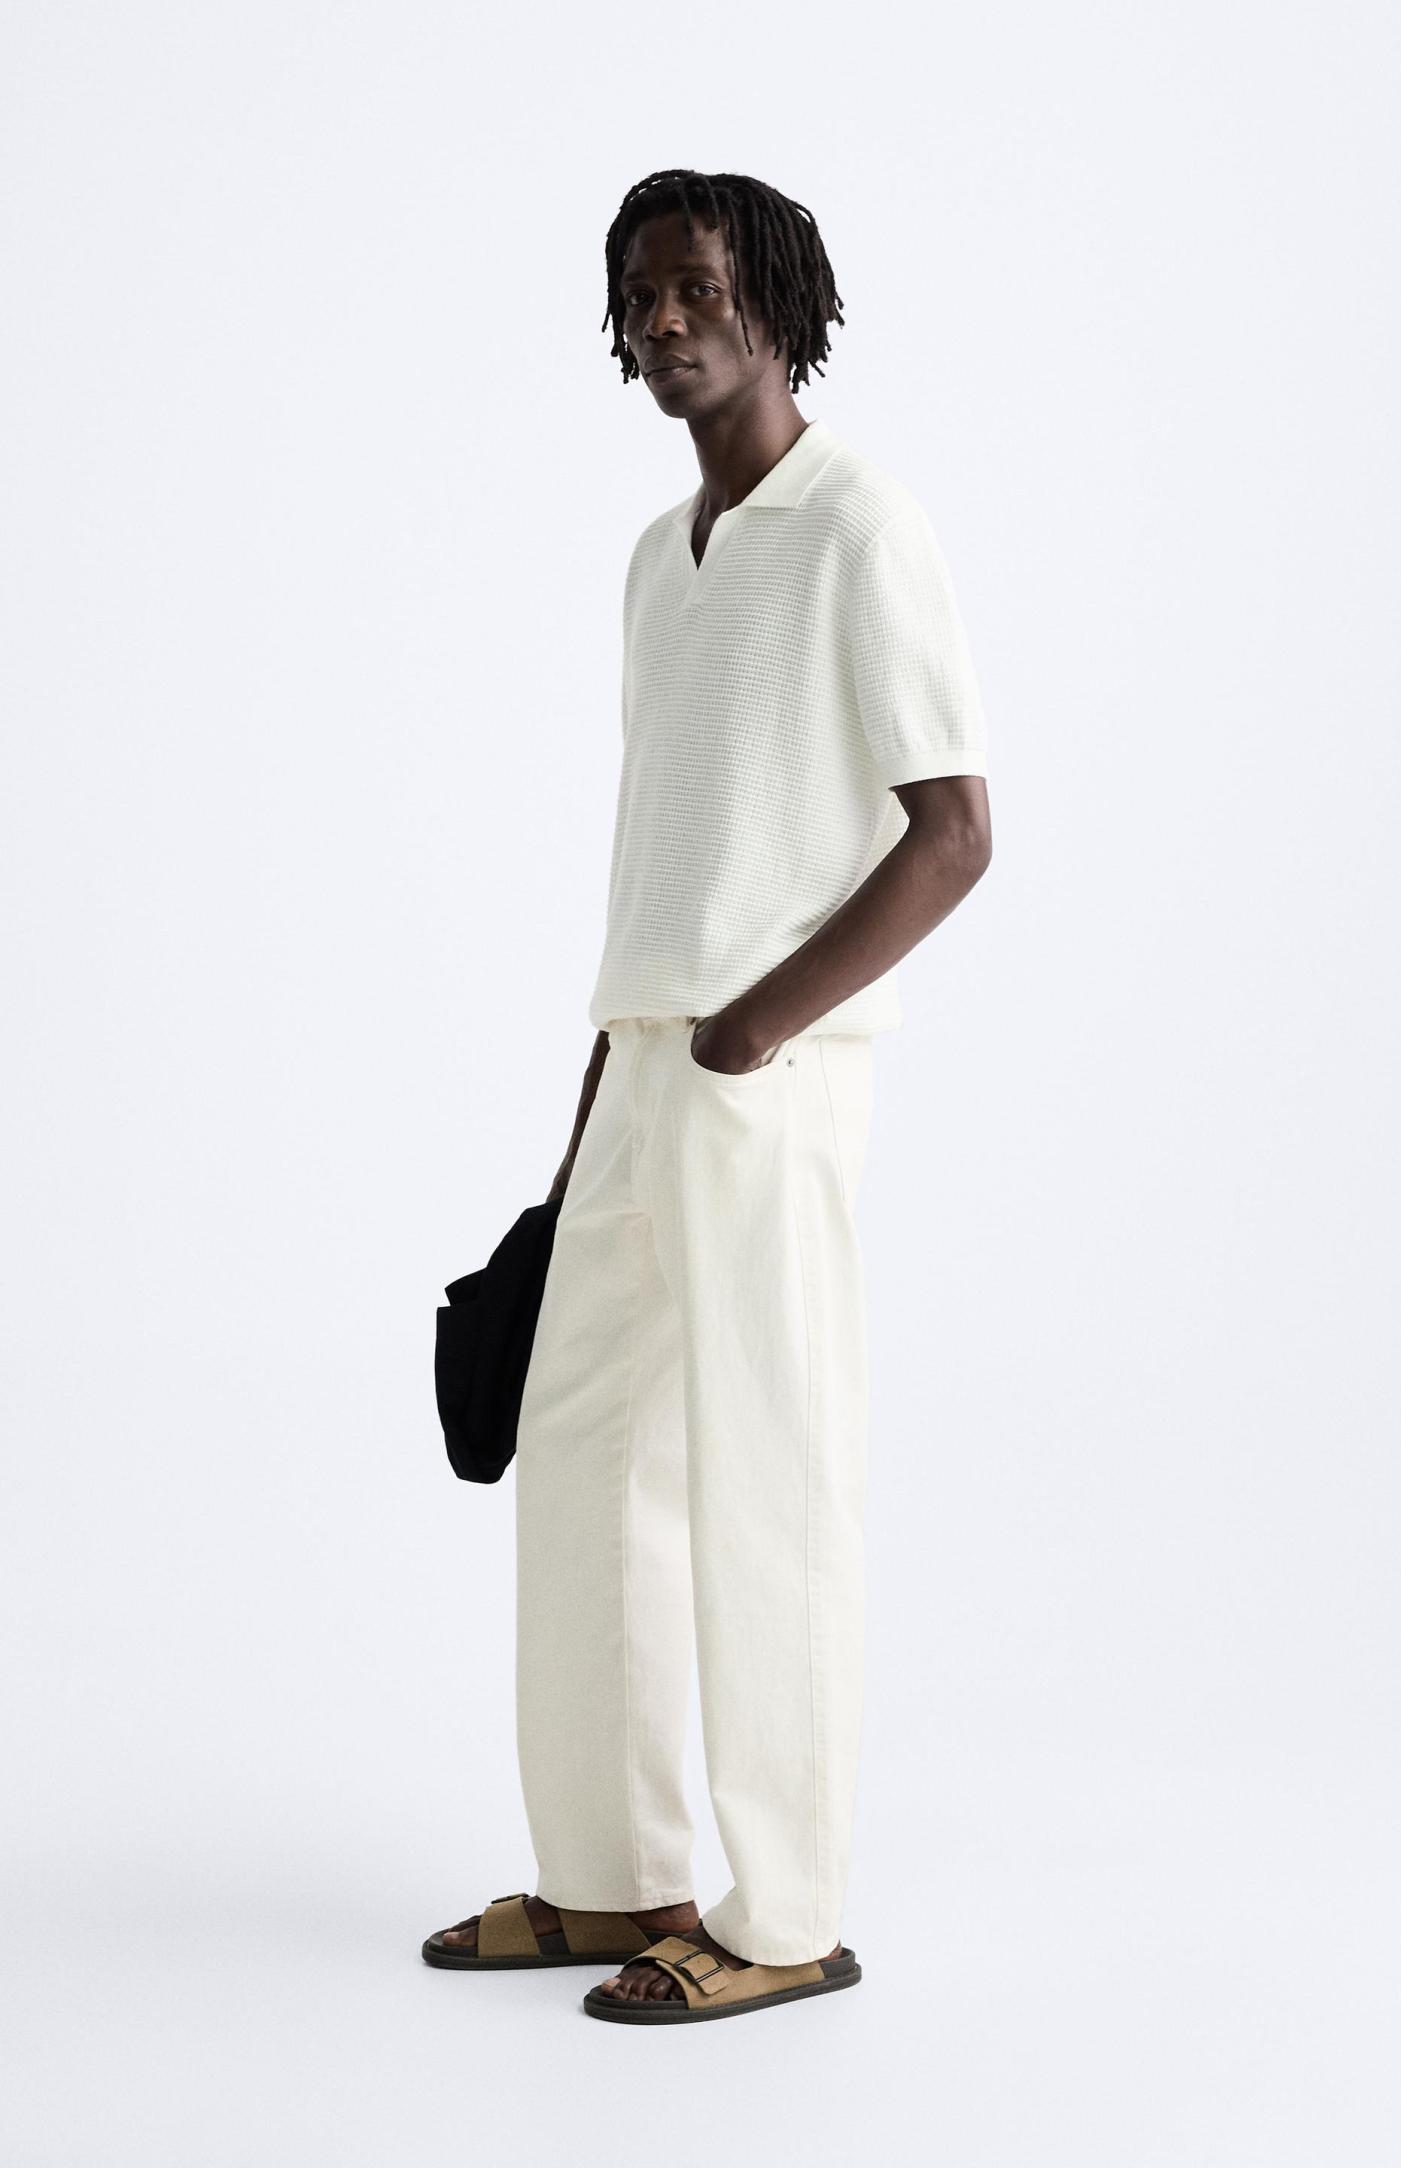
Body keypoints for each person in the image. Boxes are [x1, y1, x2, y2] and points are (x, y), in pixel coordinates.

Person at [423, 167, 993, 2024]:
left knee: (767, 1469)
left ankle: (785, 1913)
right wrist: (608, 1074)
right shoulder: (654, 559)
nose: (662, 320)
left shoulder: (857, 526)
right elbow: (662, 852)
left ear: (777, 301)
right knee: (583, 1449)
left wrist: (750, 1032)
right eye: (638, 294)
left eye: (695, 287)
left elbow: (952, 833)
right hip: (639, 1058)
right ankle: (612, 1878)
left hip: (770, 1070)